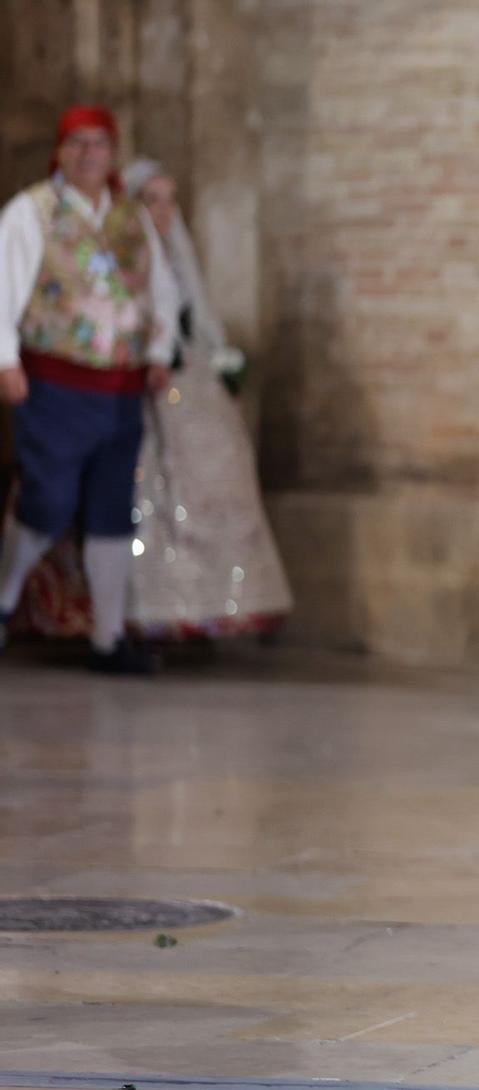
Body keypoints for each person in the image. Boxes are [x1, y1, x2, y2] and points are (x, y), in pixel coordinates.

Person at [0, 106, 178, 673]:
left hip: (121, 388)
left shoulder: (131, 216)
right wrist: (5, 361)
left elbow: (161, 286)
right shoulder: (33, 211)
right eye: (77, 143)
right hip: (54, 382)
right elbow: (3, 285)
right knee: (47, 501)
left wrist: (158, 350)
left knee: (111, 510)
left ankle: (107, 639)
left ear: (113, 151)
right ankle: (3, 600)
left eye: (99, 143)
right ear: (60, 150)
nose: (89, 154)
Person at [121, 159, 291, 641]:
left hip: (187, 380)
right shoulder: (122, 254)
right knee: (151, 488)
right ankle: (142, 610)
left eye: (170, 200)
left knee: (216, 477)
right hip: (142, 381)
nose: (163, 211)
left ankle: (206, 605)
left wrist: (220, 363)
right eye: (151, 199)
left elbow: (194, 312)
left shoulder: (177, 256)